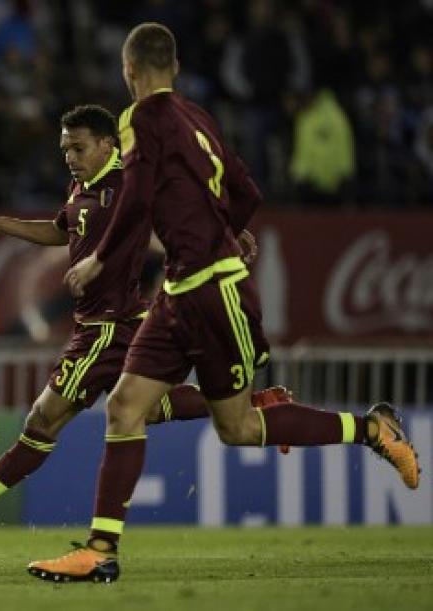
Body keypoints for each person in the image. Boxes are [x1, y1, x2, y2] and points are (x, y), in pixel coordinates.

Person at [31, 22, 420, 583]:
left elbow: (136, 196)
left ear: (128, 69)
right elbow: (249, 192)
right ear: (176, 67)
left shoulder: (139, 117)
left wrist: (99, 259)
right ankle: (100, 551)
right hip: (179, 290)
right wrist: (225, 231)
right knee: (124, 407)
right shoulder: (200, 119)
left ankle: (372, 431)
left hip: (214, 291)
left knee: (237, 428)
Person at [0, 104, 290, 535]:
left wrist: (225, 231)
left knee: (43, 420)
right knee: (149, 409)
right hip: (108, 323)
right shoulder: (82, 184)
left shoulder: (129, 182)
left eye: (78, 148)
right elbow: (63, 230)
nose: (69, 157)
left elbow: (178, 207)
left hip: (108, 328)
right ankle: (257, 404)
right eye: (65, 149)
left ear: (106, 144)